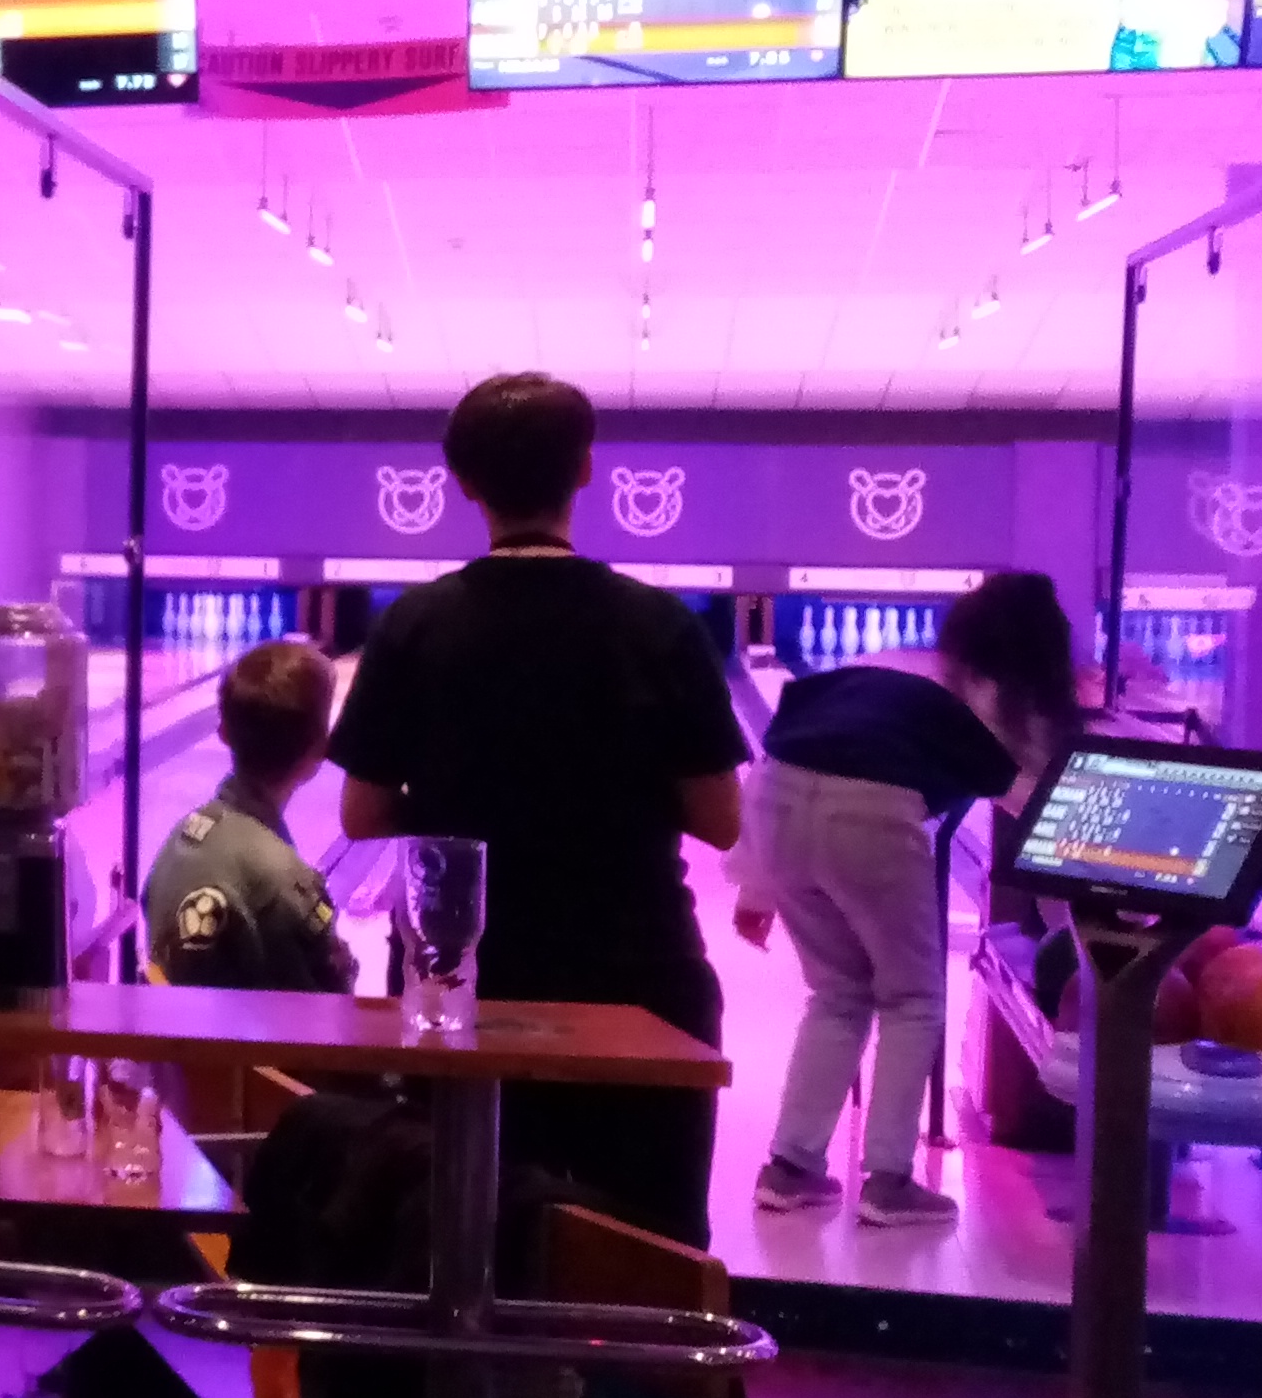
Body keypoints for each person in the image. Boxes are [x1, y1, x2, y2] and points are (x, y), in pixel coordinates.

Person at [330, 374, 749, 1244]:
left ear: (463, 482)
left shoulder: (412, 624)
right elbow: (721, 821)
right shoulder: (662, 625)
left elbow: (361, 817)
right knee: (646, 1252)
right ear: (588, 470)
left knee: (458, 1238)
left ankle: (464, 1382)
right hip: (638, 987)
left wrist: (469, 805)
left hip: (460, 989)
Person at [734, 573, 1071, 1229]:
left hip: (775, 798)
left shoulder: (882, 660)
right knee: (913, 998)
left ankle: (792, 1167)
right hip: (870, 814)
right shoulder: (992, 698)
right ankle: (889, 1180)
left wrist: (754, 884)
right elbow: (1033, 811)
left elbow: (787, 744)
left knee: (837, 992)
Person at [147, 640, 357, 993]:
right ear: (320, 749)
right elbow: (326, 1019)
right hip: (247, 1048)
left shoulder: (176, 843)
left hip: (177, 1044)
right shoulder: (287, 886)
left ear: (224, 733)